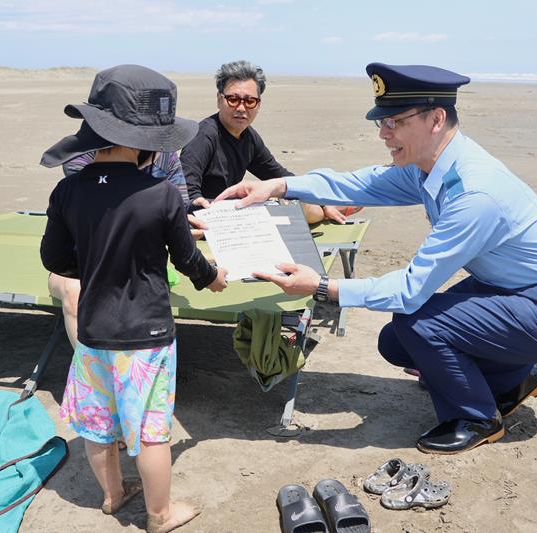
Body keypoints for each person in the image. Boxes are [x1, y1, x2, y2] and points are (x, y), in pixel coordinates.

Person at [216, 63, 537, 455]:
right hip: (513, 291)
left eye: (394, 122)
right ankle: (515, 379)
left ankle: (477, 417)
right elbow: (359, 183)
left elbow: (411, 290)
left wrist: (322, 287)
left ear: (436, 119)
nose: (383, 134)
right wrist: (279, 185)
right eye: (382, 122)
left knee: (418, 325)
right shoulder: (432, 164)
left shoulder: (474, 194)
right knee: (397, 341)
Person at [40, 65, 227, 532]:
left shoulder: (67, 190)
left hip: (93, 331)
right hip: (147, 334)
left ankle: (112, 495)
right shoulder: (161, 194)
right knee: (150, 432)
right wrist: (214, 278)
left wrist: (96, 260)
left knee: (99, 427)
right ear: (148, 143)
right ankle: (160, 515)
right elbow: (188, 260)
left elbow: (56, 259)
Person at [43, 145, 204, 349]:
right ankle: (87, 362)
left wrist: (190, 218)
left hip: (140, 261)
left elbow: (178, 209)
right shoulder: (79, 159)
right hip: (83, 263)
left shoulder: (166, 158)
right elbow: (105, 212)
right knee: (74, 289)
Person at [180, 59, 359, 224]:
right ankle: (329, 210)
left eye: (250, 101)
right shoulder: (203, 136)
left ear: (259, 104)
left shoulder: (248, 137)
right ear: (220, 100)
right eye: (233, 99)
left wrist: (318, 198)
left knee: (290, 197)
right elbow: (186, 195)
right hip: (208, 219)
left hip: (235, 213)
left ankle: (326, 206)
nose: (241, 108)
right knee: (287, 205)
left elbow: (279, 175)